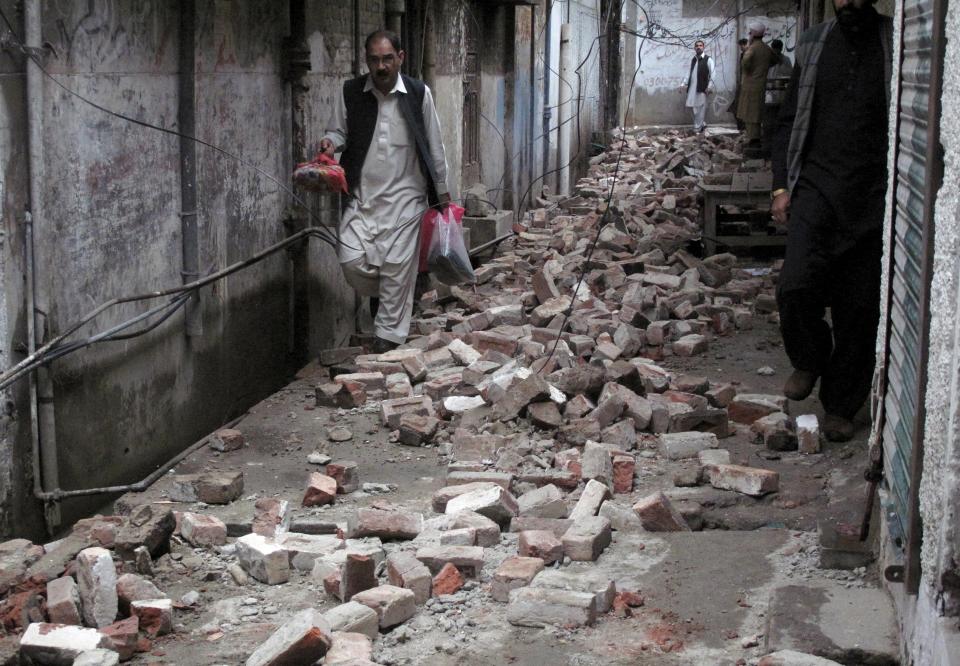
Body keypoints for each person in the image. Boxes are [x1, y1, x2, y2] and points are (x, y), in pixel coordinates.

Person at [770, 0, 893, 441]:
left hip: (872, 199)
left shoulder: (893, 45)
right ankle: (810, 357)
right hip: (816, 191)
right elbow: (785, 123)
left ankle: (842, 405)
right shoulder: (815, 45)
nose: (848, 2)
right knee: (796, 287)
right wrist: (781, 187)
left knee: (859, 309)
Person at [321, 30, 450, 353]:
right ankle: (402, 288)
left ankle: (388, 341)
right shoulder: (351, 92)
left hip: (408, 197)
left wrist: (443, 192)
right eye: (375, 60)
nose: (381, 66)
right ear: (367, 61)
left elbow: (435, 145)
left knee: (395, 264)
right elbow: (338, 131)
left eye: (388, 58)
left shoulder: (419, 94)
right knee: (351, 260)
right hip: (362, 197)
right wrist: (329, 142)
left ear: (400, 58)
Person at [736, 23, 774, 156]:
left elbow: (745, 62)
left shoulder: (752, 49)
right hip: (761, 85)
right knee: (756, 113)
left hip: (750, 85)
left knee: (750, 114)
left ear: (752, 34)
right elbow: (775, 60)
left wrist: (748, 71)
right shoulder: (766, 49)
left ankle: (754, 140)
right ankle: (754, 138)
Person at [762, 39, 793, 158]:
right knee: (768, 123)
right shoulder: (768, 61)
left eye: (777, 50)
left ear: (780, 49)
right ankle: (768, 148)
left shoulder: (786, 60)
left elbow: (788, 75)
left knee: (779, 122)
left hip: (781, 96)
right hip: (769, 95)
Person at [683, 40, 714, 133]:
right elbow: (689, 73)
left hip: (702, 88)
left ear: (703, 47)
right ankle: (702, 124)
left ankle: (697, 128)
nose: (698, 47)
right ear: (694, 48)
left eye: (700, 45)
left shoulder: (708, 59)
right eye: (697, 46)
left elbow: (713, 74)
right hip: (692, 88)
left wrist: (709, 87)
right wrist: (684, 84)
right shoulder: (693, 59)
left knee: (700, 108)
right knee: (692, 107)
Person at [728, 38, 749, 130]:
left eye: (744, 44)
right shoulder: (743, 55)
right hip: (742, 85)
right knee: (737, 107)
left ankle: (744, 128)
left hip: (748, 86)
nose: (742, 47)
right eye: (741, 45)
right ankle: (741, 127)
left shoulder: (750, 55)